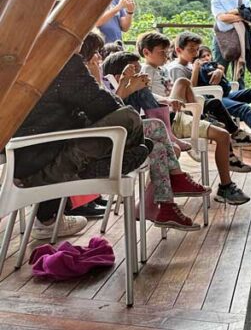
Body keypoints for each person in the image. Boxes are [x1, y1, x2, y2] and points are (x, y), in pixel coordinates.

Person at [12, 31, 151, 239]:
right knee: (130, 119)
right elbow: (104, 108)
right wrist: (98, 79)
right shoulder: (63, 63)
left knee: (138, 139)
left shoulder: (22, 59)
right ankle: (97, 168)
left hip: (23, 158)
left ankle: (106, 164)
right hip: (45, 162)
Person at [133, 31, 251, 204]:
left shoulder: (161, 70)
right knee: (183, 83)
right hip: (166, 121)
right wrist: (167, 100)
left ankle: (226, 186)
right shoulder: (146, 70)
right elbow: (144, 95)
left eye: (167, 52)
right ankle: (225, 185)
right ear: (146, 52)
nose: (165, 56)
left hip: (178, 115)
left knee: (223, 134)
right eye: (161, 52)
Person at [100, 52, 213, 229]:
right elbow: (114, 117)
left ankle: (165, 207)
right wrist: (126, 86)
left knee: (159, 147)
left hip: (134, 133)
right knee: (158, 126)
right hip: (115, 140)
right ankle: (176, 174)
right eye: (92, 59)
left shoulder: (103, 86)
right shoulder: (98, 88)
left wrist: (133, 86)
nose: (96, 62)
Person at [168, 32, 251, 149]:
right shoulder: (176, 68)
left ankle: (235, 139)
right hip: (189, 108)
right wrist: (196, 70)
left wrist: (219, 70)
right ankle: (236, 135)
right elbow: (186, 89)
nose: (195, 53)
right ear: (179, 50)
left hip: (204, 100)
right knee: (217, 105)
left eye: (197, 50)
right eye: (191, 50)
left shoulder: (190, 65)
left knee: (218, 106)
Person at [211, 0, 251, 85]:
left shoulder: (244, 0)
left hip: (241, 39)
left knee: (239, 72)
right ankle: (218, 99)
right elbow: (222, 18)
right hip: (222, 39)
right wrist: (241, 16)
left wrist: (233, 13)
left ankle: (240, 99)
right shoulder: (217, 0)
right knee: (219, 69)